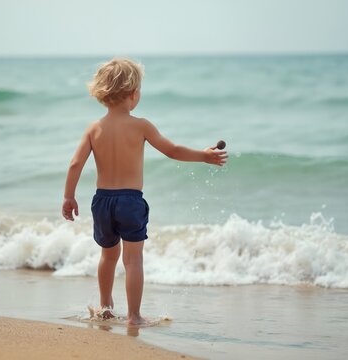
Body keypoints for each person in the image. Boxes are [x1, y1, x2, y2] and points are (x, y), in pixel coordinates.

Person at [62, 57, 227, 326]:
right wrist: (204, 156)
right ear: (132, 93)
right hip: (130, 201)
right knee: (133, 259)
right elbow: (172, 150)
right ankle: (134, 315)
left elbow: (75, 163)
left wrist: (69, 196)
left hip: (102, 201)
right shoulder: (141, 125)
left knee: (108, 255)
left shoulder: (94, 128)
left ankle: (105, 307)